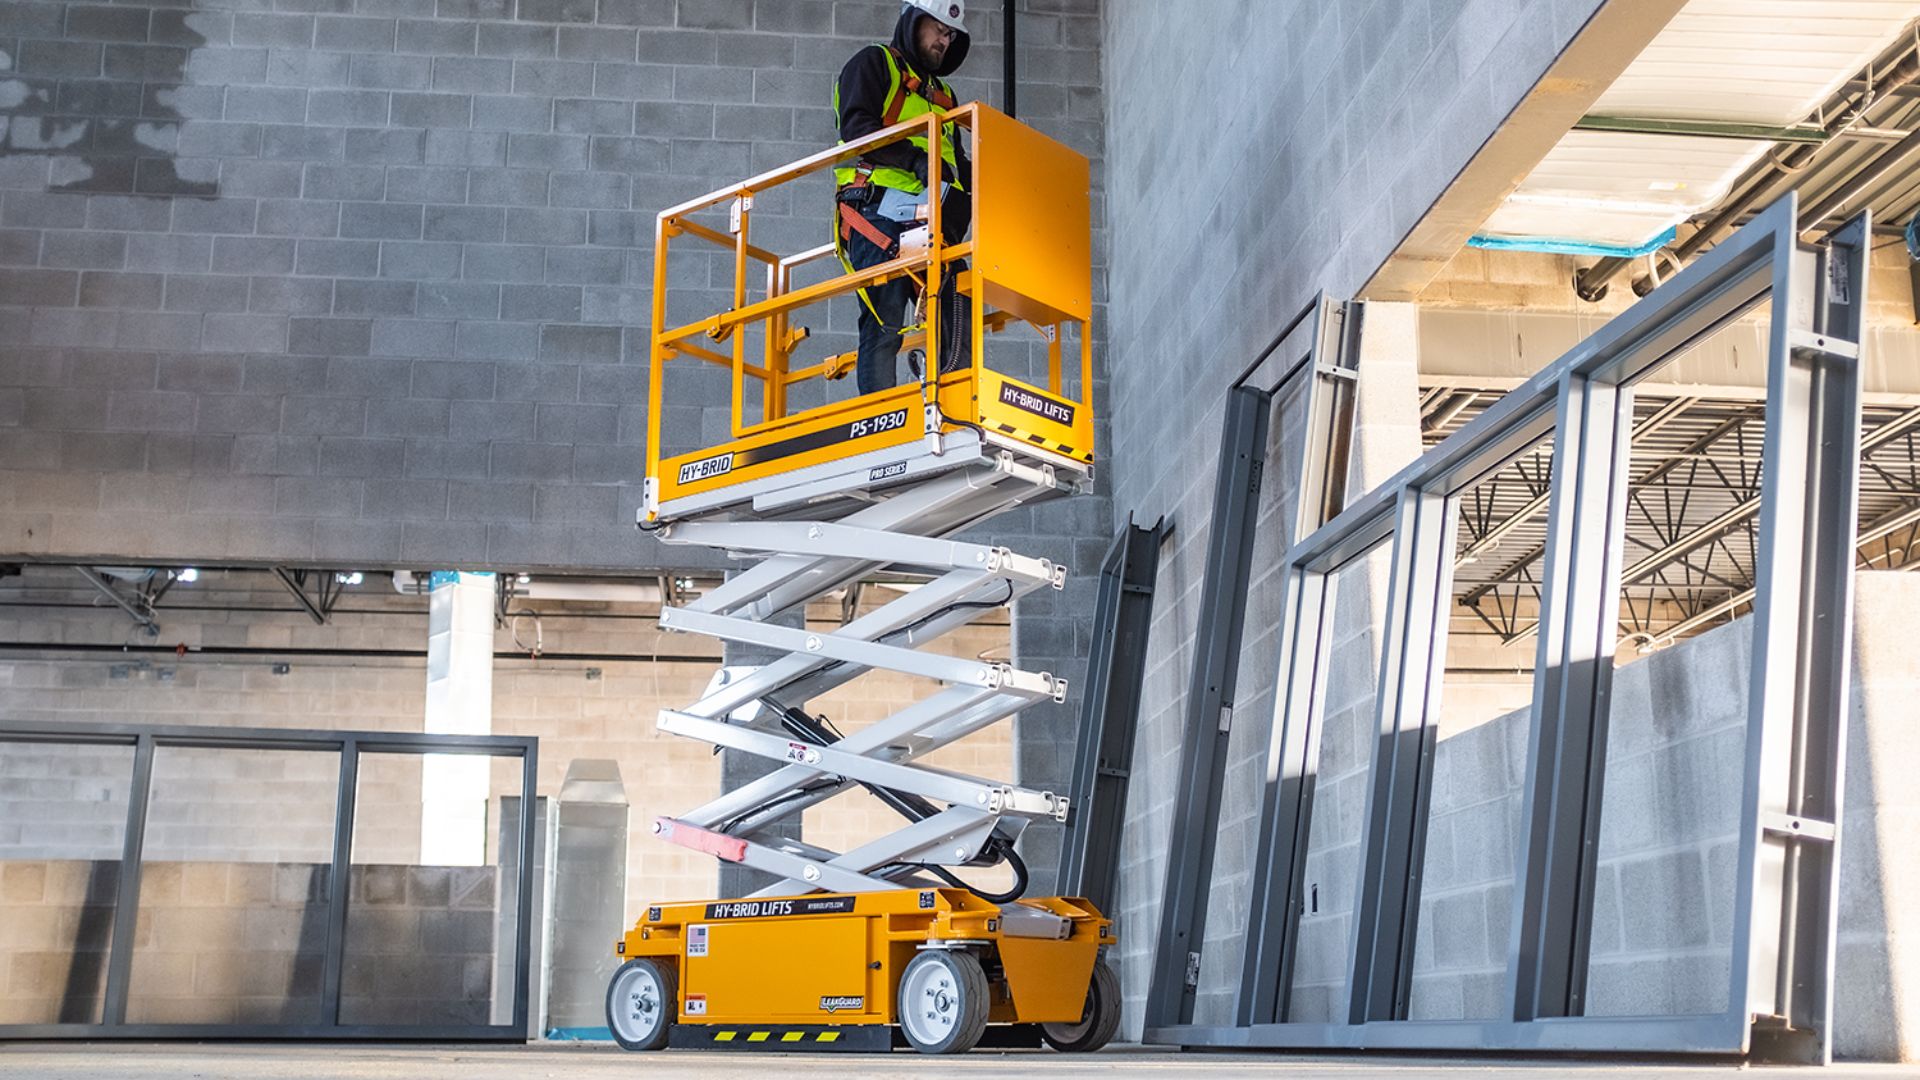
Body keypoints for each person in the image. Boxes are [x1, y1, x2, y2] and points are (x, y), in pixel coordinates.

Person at [832, 0, 975, 396]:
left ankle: (954, 403)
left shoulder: (945, 95)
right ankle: (881, 418)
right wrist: (914, 160)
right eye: (938, 30)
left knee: (956, 295)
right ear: (913, 22)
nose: (943, 41)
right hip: (874, 210)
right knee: (885, 314)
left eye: (950, 36)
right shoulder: (874, 64)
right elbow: (857, 127)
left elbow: (958, 164)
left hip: (927, 222)